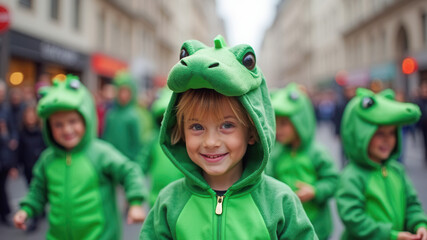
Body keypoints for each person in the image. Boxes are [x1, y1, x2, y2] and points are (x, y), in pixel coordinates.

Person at [140, 35, 317, 239]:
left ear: (252, 132)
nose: (211, 142)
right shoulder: (169, 202)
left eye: (227, 125)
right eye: (197, 127)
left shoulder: (279, 201)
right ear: (180, 131)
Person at [13, 75, 147, 239]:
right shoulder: (47, 159)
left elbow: (129, 170)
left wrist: (135, 202)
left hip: (100, 236)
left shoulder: (99, 153)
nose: (67, 130)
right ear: (48, 127)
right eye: (58, 124)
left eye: (73, 121)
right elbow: (38, 191)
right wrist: (26, 209)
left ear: (86, 120)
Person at [336, 88, 427, 240]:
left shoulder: (397, 170)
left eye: (391, 133)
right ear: (360, 134)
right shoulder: (351, 176)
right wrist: (390, 235)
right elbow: (354, 219)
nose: (387, 140)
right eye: (379, 134)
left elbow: (412, 204)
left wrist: (420, 224)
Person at [266, 83, 338, 240]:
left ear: (300, 121)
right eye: (276, 123)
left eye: (284, 124)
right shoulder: (276, 153)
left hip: (317, 225)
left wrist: (316, 191)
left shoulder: (316, 153)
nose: (279, 129)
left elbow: (333, 180)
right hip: (289, 226)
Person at [140, 87, 183, 207]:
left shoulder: (184, 142)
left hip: (182, 198)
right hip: (156, 198)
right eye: (163, 119)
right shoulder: (153, 140)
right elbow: (141, 164)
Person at [102, 71, 144, 163]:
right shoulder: (111, 114)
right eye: (121, 91)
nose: (123, 95)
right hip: (109, 160)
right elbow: (105, 137)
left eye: (127, 92)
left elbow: (136, 144)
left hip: (126, 160)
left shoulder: (133, 116)